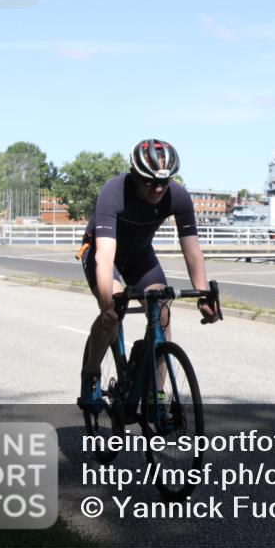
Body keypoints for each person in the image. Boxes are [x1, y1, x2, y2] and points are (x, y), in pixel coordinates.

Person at [78, 139, 218, 412]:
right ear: (134, 174)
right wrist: (108, 304)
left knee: (162, 313)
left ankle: (157, 395)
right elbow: (105, 256)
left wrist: (202, 293)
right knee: (113, 315)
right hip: (104, 254)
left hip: (140, 256)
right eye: (149, 181)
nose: (157, 188)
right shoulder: (113, 192)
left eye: (164, 182)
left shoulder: (177, 196)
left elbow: (191, 249)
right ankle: (91, 376)